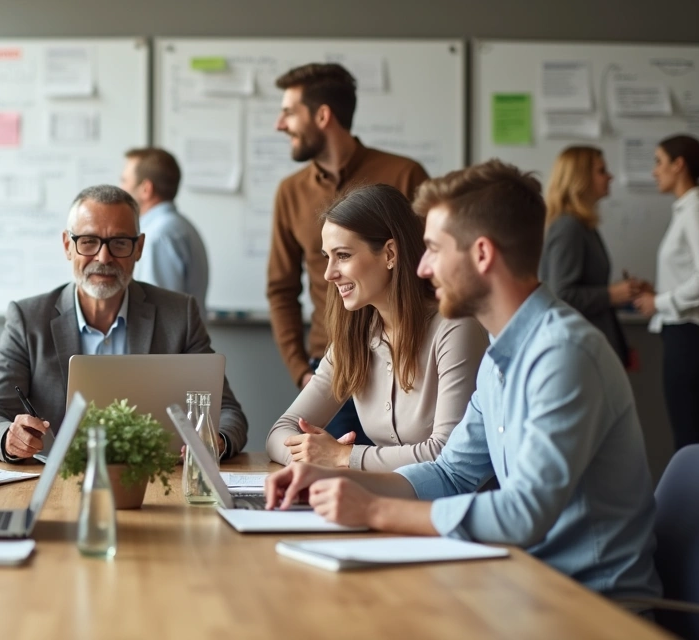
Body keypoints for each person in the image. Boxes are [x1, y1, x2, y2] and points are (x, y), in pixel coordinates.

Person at [264, 160, 661, 601]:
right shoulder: (500, 357)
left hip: (588, 604)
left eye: (434, 249)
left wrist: (373, 507)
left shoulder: (563, 354)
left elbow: (522, 514)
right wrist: (329, 479)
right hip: (523, 584)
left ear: (482, 254)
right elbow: (451, 474)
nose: (423, 268)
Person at [0, 185, 248, 462]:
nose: (104, 258)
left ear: (138, 248)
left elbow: (227, 413)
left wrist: (215, 440)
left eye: (119, 243)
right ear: (68, 246)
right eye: (88, 241)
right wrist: (9, 438)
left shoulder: (179, 314)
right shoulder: (28, 318)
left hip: (151, 482)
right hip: (58, 483)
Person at [266, 184, 487, 470]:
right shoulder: (354, 337)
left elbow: (445, 454)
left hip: (452, 509)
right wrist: (312, 455)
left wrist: (344, 456)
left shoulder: (455, 330)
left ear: (390, 254)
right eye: (327, 256)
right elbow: (279, 433)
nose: (329, 273)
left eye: (343, 255)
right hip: (386, 502)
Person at [268, 62, 430, 446]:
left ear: (323, 115)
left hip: (412, 358)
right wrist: (301, 371)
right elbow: (281, 289)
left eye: (289, 111)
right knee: (328, 487)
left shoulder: (404, 175)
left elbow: (432, 267)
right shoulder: (290, 192)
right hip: (337, 360)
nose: (279, 124)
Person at [633, 134, 699, 450]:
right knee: (686, 434)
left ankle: (695, 500)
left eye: (659, 162)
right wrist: (657, 292)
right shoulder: (688, 211)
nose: (653, 171)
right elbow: (694, 275)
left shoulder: (696, 211)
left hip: (690, 334)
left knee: (687, 437)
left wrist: (658, 301)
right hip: (685, 332)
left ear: (679, 165)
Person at [538, 145, 640, 366]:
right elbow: (561, 294)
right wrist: (611, 294)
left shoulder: (583, 225)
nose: (610, 177)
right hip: (577, 351)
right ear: (580, 178)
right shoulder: (568, 227)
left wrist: (620, 294)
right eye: (602, 171)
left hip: (587, 344)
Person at [119, 147, 210, 309]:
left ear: (146, 189)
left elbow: (158, 315)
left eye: (125, 181)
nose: (121, 188)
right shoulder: (178, 226)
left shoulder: (159, 236)